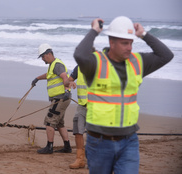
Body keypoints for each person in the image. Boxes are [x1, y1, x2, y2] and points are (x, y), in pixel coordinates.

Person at [73, 16, 174, 174]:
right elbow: (80, 55)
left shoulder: (138, 62)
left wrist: (144, 35)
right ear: (111, 42)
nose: (129, 47)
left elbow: (166, 56)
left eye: (131, 42)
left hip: (129, 140)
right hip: (99, 141)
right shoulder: (96, 63)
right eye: (124, 43)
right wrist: (94, 31)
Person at [31, 43, 72, 154]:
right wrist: (37, 78)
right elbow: (49, 75)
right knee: (59, 123)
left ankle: (49, 147)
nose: (42, 59)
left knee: (49, 121)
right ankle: (67, 147)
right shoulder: (53, 65)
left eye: (43, 56)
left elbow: (65, 77)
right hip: (61, 98)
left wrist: (67, 91)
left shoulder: (57, 64)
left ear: (49, 54)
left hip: (60, 98)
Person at [68, 64, 88, 169]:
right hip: (82, 105)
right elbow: (67, 80)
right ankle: (79, 160)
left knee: (94, 134)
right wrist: (70, 82)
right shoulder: (79, 67)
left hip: (96, 106)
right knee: (77, 131)